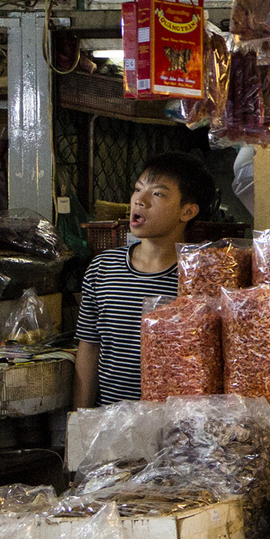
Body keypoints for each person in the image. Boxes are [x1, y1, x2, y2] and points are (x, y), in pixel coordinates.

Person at [74, 152, 214, 407]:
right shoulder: (103, 268)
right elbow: (89, 348)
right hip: (111, 423)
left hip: (175, 425)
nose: (140, 200)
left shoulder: (200, 275)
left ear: (188, 211)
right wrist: (79, 421)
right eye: (138, 189)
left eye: (158, 194)